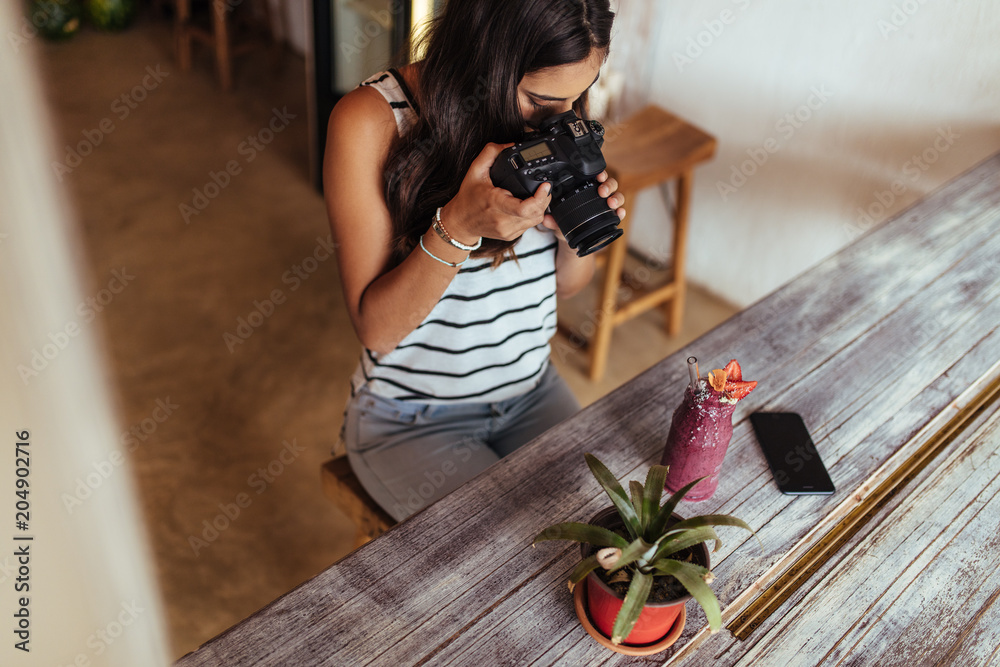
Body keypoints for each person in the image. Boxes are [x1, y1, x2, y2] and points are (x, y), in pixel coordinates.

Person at [323, 0, 625, 522]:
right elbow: (376, 329)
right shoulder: (370, 121)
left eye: (576, 101)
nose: (560, 121)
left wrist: (576, 231)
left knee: (602, 535)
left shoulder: (559, 111)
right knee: (501, 565)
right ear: (485, 55)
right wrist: (458, 227)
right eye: (539, 100)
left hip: (531, 388)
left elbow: (569, 286)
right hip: (412, 417)